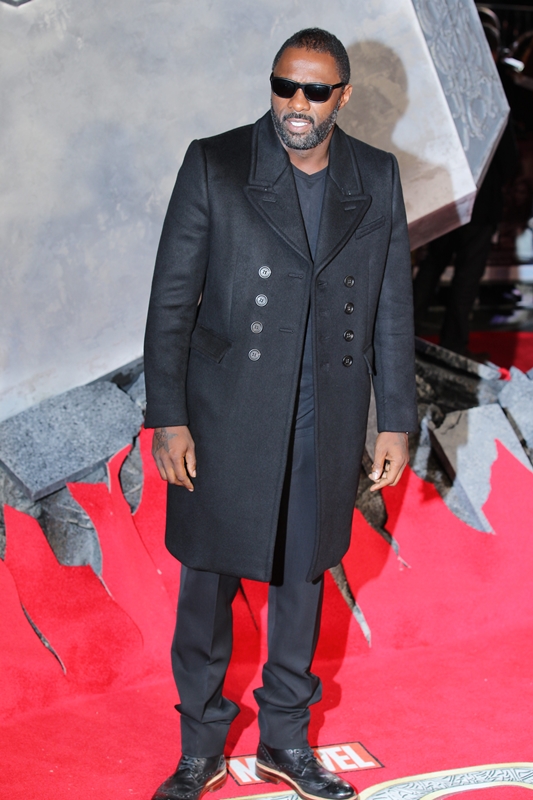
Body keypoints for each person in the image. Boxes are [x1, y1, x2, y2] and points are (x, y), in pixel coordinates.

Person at [144, 28, 417, 800]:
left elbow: (390, 306)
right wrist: (168, 416)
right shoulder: (217, 163)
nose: (296, 104)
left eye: (314, 91)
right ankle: (199, 747)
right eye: (283, 86)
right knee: (208, 583)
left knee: (303, 578)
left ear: (342, 96)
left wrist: (394, 419)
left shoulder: (375, 175)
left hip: (324, 412)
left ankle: (284, 742)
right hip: (225, 412)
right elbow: (171, 300)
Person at [412, 22, 519, 357]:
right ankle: (454, 346)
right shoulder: (493, 93)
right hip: (480, 202)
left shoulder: (446, 85)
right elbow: (509, 159)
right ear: (491, 53)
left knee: (432, 266)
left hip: (448, 194)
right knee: (465, 278)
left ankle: (402, 334)